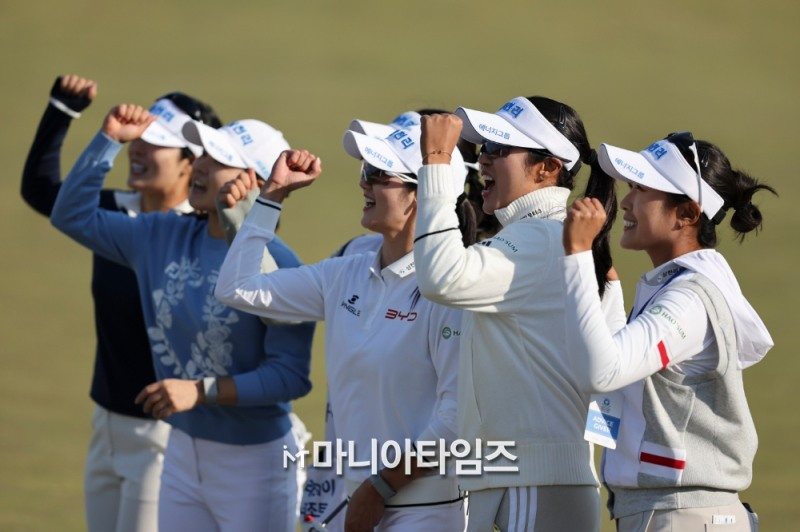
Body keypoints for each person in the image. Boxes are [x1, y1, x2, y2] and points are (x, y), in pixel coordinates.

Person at [50, 103, 315, 532]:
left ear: (261, 184)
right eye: (203, 155)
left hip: (255, 464)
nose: (202, 167)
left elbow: (290, 378)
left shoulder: (281, 266)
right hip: (180, 452)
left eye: (220, 160)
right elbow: (70, 216)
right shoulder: (159, 234)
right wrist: (107, 142)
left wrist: (200, 391)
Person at [215, 112, 477, 531]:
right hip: (353, 500)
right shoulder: (346, 271)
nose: (364, 183)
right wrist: (272, 197)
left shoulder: (454, 290)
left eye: (379, 174)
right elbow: (239, 288)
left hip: (427, 510)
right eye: (365, 171)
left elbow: (456, 419)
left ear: (421, 195)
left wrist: (381, 487)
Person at [20, 75, 221, 532]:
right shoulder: (112, 214)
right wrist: (62, 111)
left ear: (190, 163)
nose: (139, 149)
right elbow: (41, 192)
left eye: (156, 144)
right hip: (105, 424)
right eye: (139, 139)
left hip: (165, 436)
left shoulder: (201, 233)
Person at [412, 96, 621, 531]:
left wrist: (435, 163)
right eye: (484, 148)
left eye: (500, 150)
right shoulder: (543, 237)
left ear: (548, 168)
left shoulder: (542, 239)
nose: (483, 159)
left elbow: (441, 278)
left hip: (531, 482)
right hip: (522, 481)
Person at [560, 132, 775, 531]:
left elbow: (600, 372)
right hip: (669, 512)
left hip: (683, 515)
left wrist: (576, 257)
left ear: (688, 214)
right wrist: (603, 294)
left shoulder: (689, 300)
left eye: (642, 189)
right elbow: (613, 379)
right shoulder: (671, 287)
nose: (625, 202)